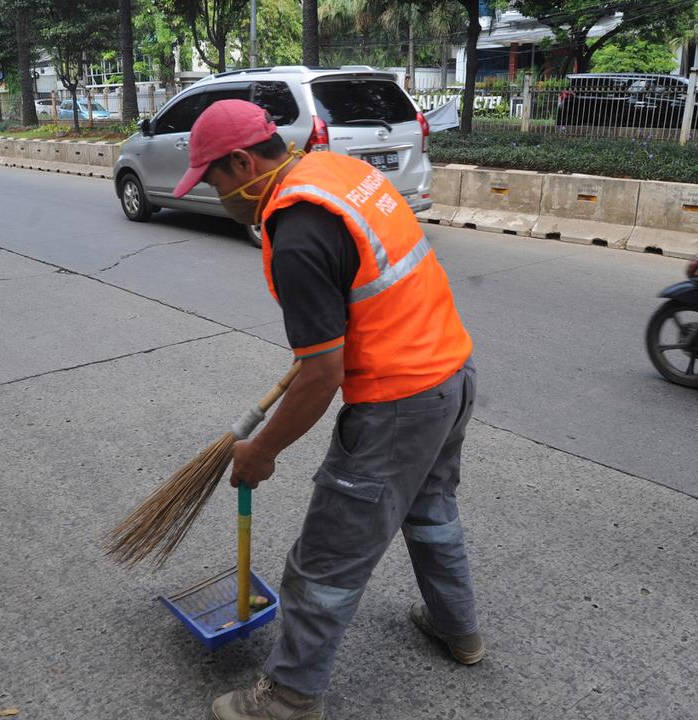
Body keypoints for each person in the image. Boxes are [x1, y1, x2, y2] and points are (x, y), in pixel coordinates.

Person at [173, 99, 481, 720]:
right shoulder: (333, 171)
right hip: (451, 372)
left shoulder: (298, 230)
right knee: (430, 510)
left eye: (214, 178)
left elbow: (321, 375)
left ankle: (289, 697)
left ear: (241, 160)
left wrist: (261, 451)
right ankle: (459, 630)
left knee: (325, 558)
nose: (216, 193)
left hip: (398, 404)